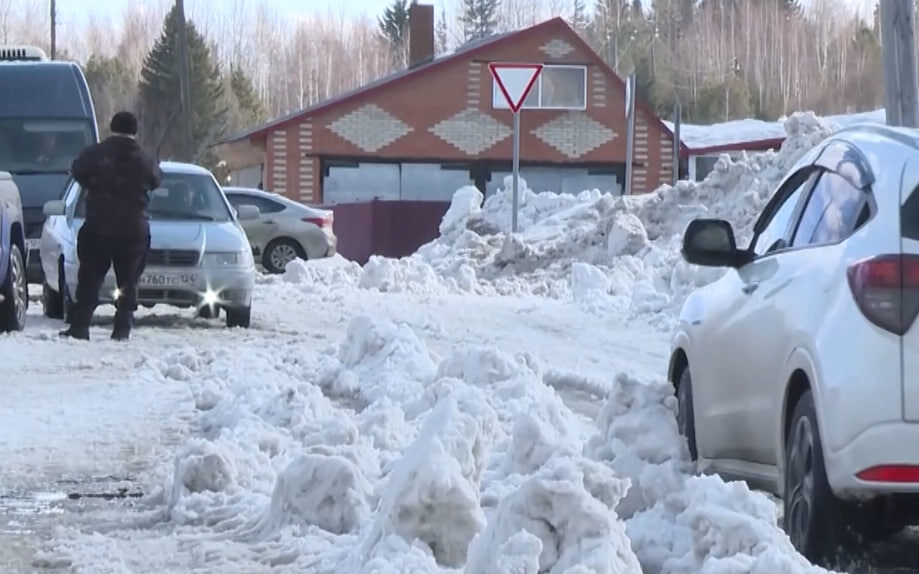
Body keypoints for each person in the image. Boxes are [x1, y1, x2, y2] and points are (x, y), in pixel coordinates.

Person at [60, 111, 162, 341]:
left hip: (99, 225)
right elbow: (156, 180)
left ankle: (80, 325)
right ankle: (122, 328)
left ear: (111, 126)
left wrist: (95, 185)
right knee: (129, 279)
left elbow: (78, 171)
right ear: (135, 131)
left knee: (90, 277)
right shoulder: (144, 158)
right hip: (133, 229)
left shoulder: (95, 154)